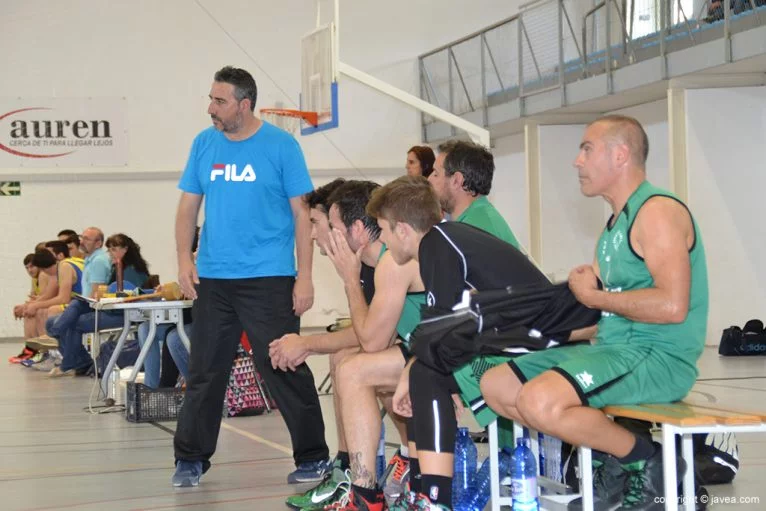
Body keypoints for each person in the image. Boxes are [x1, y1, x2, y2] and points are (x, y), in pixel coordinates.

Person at [479, 115, 709, 510]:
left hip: (659, 358)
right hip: (615, 349)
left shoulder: (656, 213)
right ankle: (619, 461)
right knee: (497, 386)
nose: (576, 161)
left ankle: (647, 462)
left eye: (587, 149)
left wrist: (596, 298)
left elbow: (673, 306)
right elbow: (605, 310)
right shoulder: (613, 226)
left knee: (539, 402)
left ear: (620, 155)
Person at [330, 141, 520, 511]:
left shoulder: (450, 238)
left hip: (515, 342)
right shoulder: (441, 240)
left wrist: (351, 282)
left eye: (383, 229)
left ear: (401, 229)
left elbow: (453, 319)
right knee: (418, 374)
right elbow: (442, 320)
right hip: (493, 335)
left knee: (404, 372)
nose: (380, 239)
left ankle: (403, 494)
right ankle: (426, 493)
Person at [172, 65, 327, 488]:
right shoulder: (204, 144)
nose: (211, 108)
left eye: (219, 101)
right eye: (210, 99)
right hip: (215, 281)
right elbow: (188, 208)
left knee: (283, 365)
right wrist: (185, 259)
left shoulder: (281, 147)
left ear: (244, 104)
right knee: (205, 371)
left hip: (270, 277)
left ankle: (313, 456)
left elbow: (302, 214)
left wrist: (305, 277)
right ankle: (190, 458)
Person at [274, 179, 424, 510]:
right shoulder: (376, 260)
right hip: (431, 347)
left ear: (354, 229)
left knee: (355, 369)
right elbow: (372, 332)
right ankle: (364, 473)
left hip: (462, 353)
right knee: (349, 360)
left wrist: (309, 342)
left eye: (318, 224)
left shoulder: (388, 261)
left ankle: (367, 490)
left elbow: (371, 340)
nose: (313, 235)